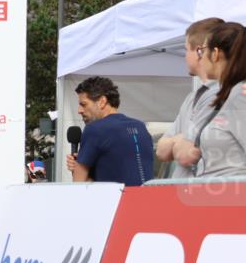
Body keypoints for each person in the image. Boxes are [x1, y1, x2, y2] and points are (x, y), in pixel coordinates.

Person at [156, 18, 225, 178]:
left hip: (204, 189)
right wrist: (182, 140)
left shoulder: (221, 93)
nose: (185, 57)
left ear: (200, 52)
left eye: (187, 50)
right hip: (185, 189)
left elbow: (187, 154)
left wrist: (179, 140)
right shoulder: (192, 97)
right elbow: (161, 151)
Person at [181, 22, 246, 178]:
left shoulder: (240, 96)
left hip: (232, 190)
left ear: (215, 53)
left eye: (202, 50)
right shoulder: (230, 94)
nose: (200, 57)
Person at [66, 76, 154, 186]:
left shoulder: (94, 129)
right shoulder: (140, 127)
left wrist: (77, 170)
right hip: (147, 195)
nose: (79, 110)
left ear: (102, 101)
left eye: (83, 104)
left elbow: (79, 185)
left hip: (116, 197)